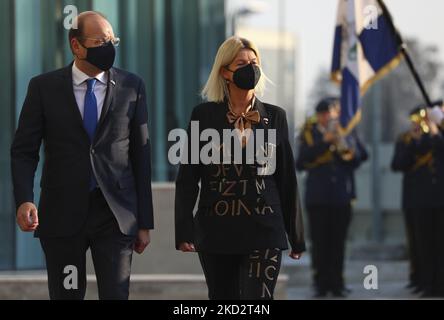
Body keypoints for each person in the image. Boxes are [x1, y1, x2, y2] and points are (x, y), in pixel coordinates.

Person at [10, 11, 154, 300]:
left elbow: (141, 156)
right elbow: (24, 150)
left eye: (113, 40)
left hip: (114, 215)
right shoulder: (43, 88)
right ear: (76, 45)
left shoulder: (131, 86)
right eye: (100, 41)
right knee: (67, 294)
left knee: (115, 294)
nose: (109, 47)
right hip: (63, 216)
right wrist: (25, 198)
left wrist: (144, 222)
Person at [174, 36, 306, 300]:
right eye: (241, 63)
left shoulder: (275, 116)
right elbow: (188, 177)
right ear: (225, 72)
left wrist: (296, 235)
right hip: (216, 231)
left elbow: (286, 179)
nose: (250, 68)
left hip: (264, 229)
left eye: (254, 62)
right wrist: (183, 229)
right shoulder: (204, 115)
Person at [296, 98, 368, 298]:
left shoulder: (347, 130)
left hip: (342, 196)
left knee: (338, 242)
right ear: (319, 116)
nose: (329, 117)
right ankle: (320, 283)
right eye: (325, 113)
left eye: (332, 113)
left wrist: (345, 143)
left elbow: (362, 156)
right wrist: (324, 142)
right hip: (318, 197)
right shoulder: (309, 133)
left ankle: (337, 282)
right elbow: (301, 162)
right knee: (319, 243)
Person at [391, 106, 444, 298]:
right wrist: (415, 141)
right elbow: (398, 164)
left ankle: (439, 284)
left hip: (440, 198)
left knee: (440, 244)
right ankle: (426, 283)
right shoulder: (408, 140)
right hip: (420, 200)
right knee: (423, 245)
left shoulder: (439, 135)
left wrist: (436, 132)